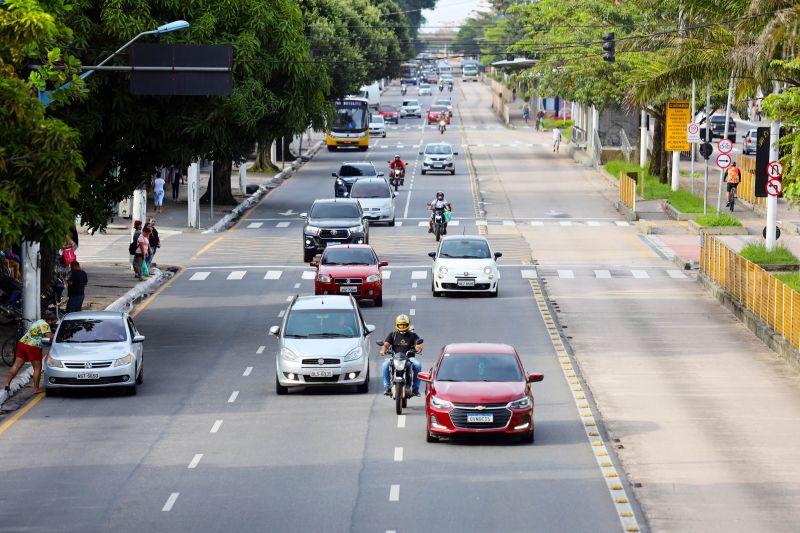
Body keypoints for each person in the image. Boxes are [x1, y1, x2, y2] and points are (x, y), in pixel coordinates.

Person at [4, 312, 58, 394]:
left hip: (22, 343)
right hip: (33, 346)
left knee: (16, 365)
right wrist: (59, 335)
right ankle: (36, 389)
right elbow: (49, 336)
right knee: (37, 368)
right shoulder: (45, 325)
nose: (55, 323)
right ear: (49, 321)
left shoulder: (39, 321)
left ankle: (7, 383)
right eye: (54, 321)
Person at [380, 314, 423, 396]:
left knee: (418, 365)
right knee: (385, 365)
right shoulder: (392, 334)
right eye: (400, 324)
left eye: (404, 325)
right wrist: (383, 350)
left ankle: (415, 389)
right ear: (397, 324)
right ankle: (387, 387)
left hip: (409, 359)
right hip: (395, 358)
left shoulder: (413, 335)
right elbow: (385, 345)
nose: (402, 326)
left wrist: (418, 348)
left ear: (408, 325)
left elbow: (418, 343)